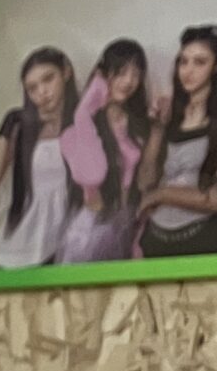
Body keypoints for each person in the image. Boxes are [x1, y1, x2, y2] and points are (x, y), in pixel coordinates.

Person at [138, 24, 217, 260]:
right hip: (156, 239)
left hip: (201, 240)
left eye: (199, 62)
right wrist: (157, 129)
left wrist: (162, 194)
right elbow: (145, 182)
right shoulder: (173, 111)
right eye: (183, 62)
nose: (188, 71)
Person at [0, 46, 76, 271]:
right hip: (15, 248)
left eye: (48, 79)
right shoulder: (21, 126)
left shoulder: (82, 123)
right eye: (32, 88)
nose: (42, 92)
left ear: (66, 72)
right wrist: (8, 125)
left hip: (60, 246)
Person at [58, 36, 150, 265]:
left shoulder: (136, 123)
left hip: (124, 222)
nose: (129, 81)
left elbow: (144, 181)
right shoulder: (77, 129)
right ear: (103, 74)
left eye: (136, 74)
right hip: (93, 227)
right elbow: (92, 175)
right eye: (121, 72)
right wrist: (85, 112)